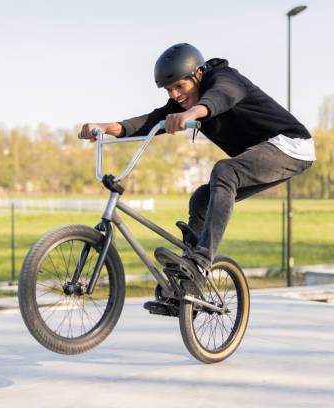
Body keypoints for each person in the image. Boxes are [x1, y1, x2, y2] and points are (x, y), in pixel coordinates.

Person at [80, 43, 315, 296]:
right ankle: (187, 283)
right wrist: (107, 128)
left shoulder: (224, 79)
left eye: (180, 86)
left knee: (225, 171)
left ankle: (201, 263)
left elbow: (221, 96)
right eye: (169, 90)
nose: (175, 95)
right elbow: (149, 121)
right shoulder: (182, 103)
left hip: (290, 145)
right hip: (260, 154)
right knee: (201, 198)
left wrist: (194, 112)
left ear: (199, 75)